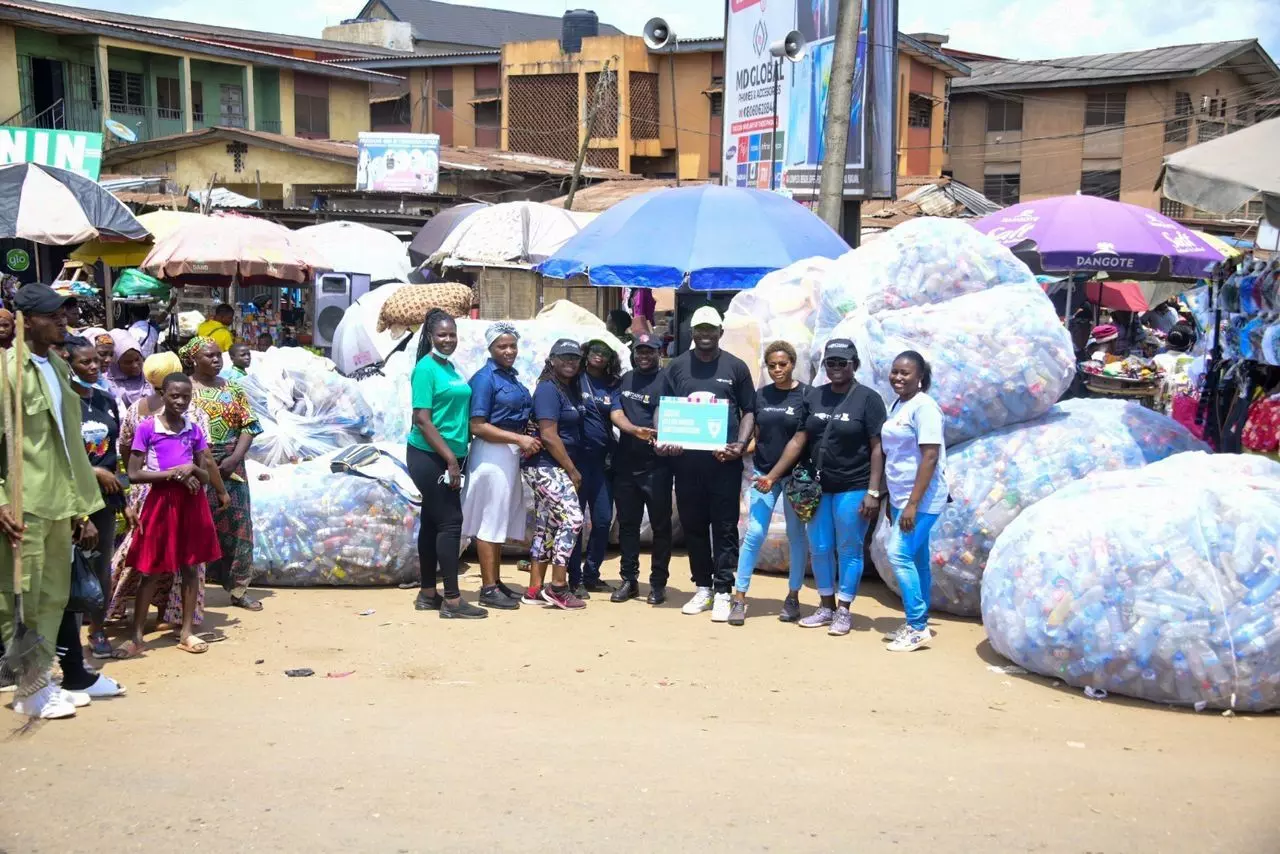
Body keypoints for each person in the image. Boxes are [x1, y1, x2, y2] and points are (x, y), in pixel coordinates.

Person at [0, 284, 103, 720]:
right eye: (51, 314)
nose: (62, 319)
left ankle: (43, 680)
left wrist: (81, 505)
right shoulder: (7, 372)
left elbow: (65, 441)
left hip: (61, 500)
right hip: (26, 503)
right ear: (25, 320)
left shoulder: (57, 367)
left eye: (64, 312)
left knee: (55, 597)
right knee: (21, 596)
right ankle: (29, 687)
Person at [766, 339, 886, 634]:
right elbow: (799, 439)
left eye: (841, 362)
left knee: (849, 547)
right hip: (818, 487)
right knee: (819, 547)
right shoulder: (815, 397)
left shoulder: (868, 399)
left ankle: (844, 609)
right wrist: (772, 475)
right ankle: (825, 605)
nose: (835, 368)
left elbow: (877, 446)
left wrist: (873, 491)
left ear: (854, 365)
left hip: (853, 486)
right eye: (830, 362)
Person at [106, 352, 225, 633]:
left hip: (190, 502)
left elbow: (204, 469)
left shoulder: (192, 427)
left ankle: (183, 630)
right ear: (164, 392)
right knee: (150, 565)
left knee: (189, 567)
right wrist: (174, 473)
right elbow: (134, 472)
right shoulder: (148, 426)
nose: (180, 401)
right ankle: (136, 632)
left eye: (185, 397)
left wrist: (192, 471)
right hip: (159, 500)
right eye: (174, 396)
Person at [660, 306, 756, 621]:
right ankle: (703, 586)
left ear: (720, 332)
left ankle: (724, 590)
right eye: (699, 329)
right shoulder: (676, 367)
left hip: (724, 463)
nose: (704, 335)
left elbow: (749, 411)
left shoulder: (736, 367)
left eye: (710, 330)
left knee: (726, 527)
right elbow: (666, 408)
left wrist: (740, 447)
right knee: (694, 526)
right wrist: (665, 437)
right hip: (686, 464)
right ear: (692, 332)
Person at [407, 309, 485, 619]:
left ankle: (428, 593)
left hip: (451, 455)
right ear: (429, 336)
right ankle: (452, 601)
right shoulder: (426, 369)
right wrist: (451, 460)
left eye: (452, 334)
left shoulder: (450, 367)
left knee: (432, 521)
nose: (448, 339)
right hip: (430, 455)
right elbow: (422, 419)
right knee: (451, 523)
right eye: (442, 335)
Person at [462, 322, 540, 610]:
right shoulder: (485, 379)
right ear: (490, 349)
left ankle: (494, 580)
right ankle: (488, 587)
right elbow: (477, 425)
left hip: (507, 453)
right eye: (501, 346)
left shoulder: (510, 377)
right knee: (489, 519)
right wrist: (518, 437)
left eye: (512, 346)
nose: (508, 351)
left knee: (500, 518)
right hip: (491, 454)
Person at [182, 337, 263, 611]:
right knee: (197, 526)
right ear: (194, 359)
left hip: (231, 461)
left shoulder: (233, 388)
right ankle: (193, 593)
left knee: (239, 526)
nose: (217, 360)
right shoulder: (185, 390)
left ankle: (239, 588)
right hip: (195, 463)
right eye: (209, 356)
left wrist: (235, 458)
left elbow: (249, 425)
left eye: (219, 355)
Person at [730, 341, 809, 626]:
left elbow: (802, 441)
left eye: (783, 364)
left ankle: (793, 597)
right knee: (754, 533)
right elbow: (757, 435)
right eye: (772, 365)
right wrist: (736, 450)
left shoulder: (805, 396)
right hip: (762, 474)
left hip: (793, 479)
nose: (777, 369)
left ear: (792, 363)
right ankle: (739, 597)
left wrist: (773, 476)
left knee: (796, 536)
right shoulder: (761, 396)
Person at [878, 351, 948, 653]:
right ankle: (918, 621)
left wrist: (912, 504)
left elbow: (930, 455)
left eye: (905, 373)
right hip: (900, 494)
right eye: (895, 372)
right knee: (917, 558)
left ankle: (918, 626)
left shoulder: (925, 408)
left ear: (920, 377)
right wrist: (889, 498)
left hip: (922, 498)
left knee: (898, 553)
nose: (898, 377)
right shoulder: (898, 405)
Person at [64, 336, 125, 660]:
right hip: (72, 499)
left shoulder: (105, 399)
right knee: (70, 569)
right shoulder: (62, 404)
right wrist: (93, 473)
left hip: (105, 500)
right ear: (68, 365)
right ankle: (67, 643)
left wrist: (124, 502)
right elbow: (61, 457)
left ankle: (97, 630)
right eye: (84, 362)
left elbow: (113, 456)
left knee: (101, 567)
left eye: (96, 361)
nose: (93, 366)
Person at [520, 339, 587, 610]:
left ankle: (534, 590)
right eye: (564, 358)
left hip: (553, 466)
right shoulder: (548, 389)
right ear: (552, 360)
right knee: (572, 519)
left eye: (574, 358)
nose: (570, 362)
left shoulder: (568, 388)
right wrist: (572, 470)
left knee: (546, 526)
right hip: (547, 466)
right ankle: (558, 587)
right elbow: (548, 435)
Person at [609, 333, 672, 605]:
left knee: (660, 526)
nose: (644, 356)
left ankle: (658, 583)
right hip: (626, 464)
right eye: (639, 351)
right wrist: (634, 431)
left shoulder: (667, 381)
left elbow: (673, 416)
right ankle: (629, 580)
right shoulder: (624, 380)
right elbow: (616, 411)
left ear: (659, 352)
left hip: (657, 465)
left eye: (650, 351)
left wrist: (665, 438)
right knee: (628, 525)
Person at [565, 338, 620, 598]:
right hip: (577, 461)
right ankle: (573, 578)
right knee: (575, 522)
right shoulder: (575, 379)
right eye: (595, 351)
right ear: (586, 354)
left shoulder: (612, 385)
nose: (599, 355)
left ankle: (592, 575)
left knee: (601, 520)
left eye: (605, 353)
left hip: (602, 462)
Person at [107, 328, 148, 410]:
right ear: (116, 363)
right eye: (128, 362)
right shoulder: (106, 386)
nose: (135, 365)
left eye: (137, 359)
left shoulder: (150, 377)